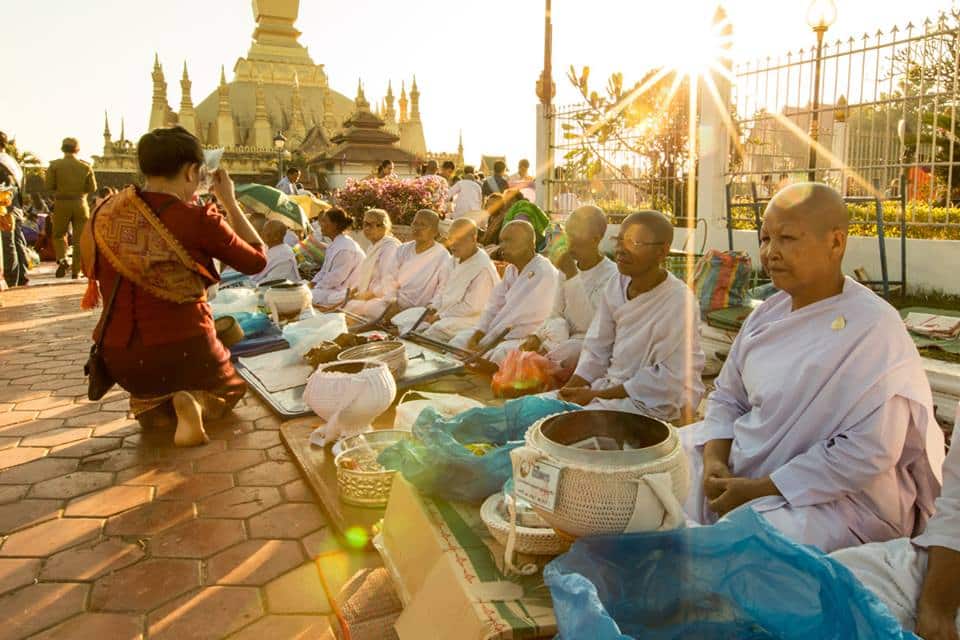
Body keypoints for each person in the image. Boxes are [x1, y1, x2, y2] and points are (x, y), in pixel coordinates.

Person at [680, 183, 945, 553]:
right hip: (745, 468)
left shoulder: (873, 328)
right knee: (658, 470)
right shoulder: (766, 315)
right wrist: (714, 461)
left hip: (839, 500)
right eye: (765, 238)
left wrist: (762, 488)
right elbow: (727, 395)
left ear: (836, 243)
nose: (770, 252)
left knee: (752, 544)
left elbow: (868, 452)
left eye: (787, 238)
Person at [79, 126, 267, 446]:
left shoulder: (105, 214)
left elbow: (89, 268)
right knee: (232, 387)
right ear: (193, 171)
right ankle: (199, 402)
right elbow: (257, 261)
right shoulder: (197, 219)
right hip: (185, 348)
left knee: (149, 392)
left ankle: (155, 407)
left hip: (120, 357)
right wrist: (230, 202)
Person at [557, 210, 704, 421]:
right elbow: (597, 348)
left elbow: (667, 380)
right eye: (619, 241)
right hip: (612, 387)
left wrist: (596, 395)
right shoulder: (616, 284)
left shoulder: (679, 301)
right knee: (540, 410)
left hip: (658, 402)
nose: (620, 250)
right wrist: (566, 393)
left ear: (662, 252)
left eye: (634, 243)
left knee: (573, 427)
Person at [832, 405, 959, 640]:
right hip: (951, 560)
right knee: (840, 579)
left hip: (846, 499)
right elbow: (956, 506)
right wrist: (937, 608)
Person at [520, 205, 617, 369]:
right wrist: (537, 336)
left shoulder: (611, 276)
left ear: (595, 238)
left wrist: (572, 275)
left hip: (587, 343)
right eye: (567, 233)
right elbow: (555, 313)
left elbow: (589, 327)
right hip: (560, 338)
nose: (567, 240)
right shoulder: (567, 268)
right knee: (517, 349)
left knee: (571, 352)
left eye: (574, 234)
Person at [451, 220, 559, 365]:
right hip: (497, 333)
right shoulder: (511, 270)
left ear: (530, 245)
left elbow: (524, 321)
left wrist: (489, 343)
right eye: (501, 241)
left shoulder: (543, 272)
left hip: (525, 338)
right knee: (459, 341)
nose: (502, 246)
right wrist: (479, 333)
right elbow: (493, 306)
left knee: (498, 354)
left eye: (509, 240)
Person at [391, 218, 500, 340]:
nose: (453, 244)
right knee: (406, 317)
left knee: (436, 329)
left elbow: (472, 307)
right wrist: (433, 308)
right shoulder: (453, 260)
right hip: (444, 312)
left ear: (473, 238)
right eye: (451, 238)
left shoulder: (482, 267)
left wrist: (440, 316)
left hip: (470, 319)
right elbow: (442, 290)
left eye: (458, 239)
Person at [344, 209, 451, 322]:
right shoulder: (403, 249)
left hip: (418, 309)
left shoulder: (443, 256)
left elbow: (442, 289)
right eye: (415, 223)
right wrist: (392, 301)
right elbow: (389, 278)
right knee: (354, 307)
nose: (417, 228)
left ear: (434, 231)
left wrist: (430, 309)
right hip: (393, 303)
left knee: (404, 321)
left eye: (423, 225)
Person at [46, 137, 97, 278]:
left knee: (58, 234)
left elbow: (49, 186)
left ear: (62, 148)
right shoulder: (85, 166)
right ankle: (76, 271)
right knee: (79, 238)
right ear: (77, 149)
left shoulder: (55, 166)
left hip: (62, 203)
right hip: (81, 204)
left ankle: (62, 259)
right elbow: (93, 187)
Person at [310, 207, 365, 307]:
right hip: (332, 288)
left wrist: (315, 287)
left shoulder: (345, 248)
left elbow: (336, 278)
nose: (320, 225)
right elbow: (324, 271)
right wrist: (312, 283)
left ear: (334, 225)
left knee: (305, 295)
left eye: (324, 221)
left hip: (344, 292)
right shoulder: (334, 244)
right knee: (302, 289)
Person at [347, 208, 401, 308]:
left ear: (384, 227)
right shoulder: (372, 247)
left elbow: (387, 283)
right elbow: (366, 277)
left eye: (371, 225)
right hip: (366, 296)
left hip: (381, 300)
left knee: (349, 307)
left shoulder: (390, 247)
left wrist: (364, 296)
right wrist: (354, 291)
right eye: (365, 224)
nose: (366, 228)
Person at [252, 219, 300, 284]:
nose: (262, 233)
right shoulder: (266, 247)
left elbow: (272, 281)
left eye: (266, 231)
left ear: (276, 236)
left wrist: (251, 286)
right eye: (263, 230)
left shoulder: (285, 255)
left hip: (281, 290)